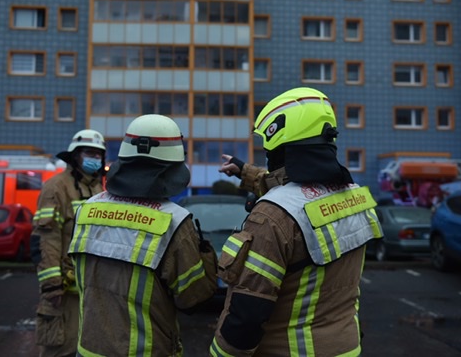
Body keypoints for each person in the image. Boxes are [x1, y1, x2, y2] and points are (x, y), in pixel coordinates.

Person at [212, 87, 383, 356]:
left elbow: (248, 315)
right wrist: (246, 172)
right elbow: (300, 189)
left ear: (277, 138)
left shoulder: (271, 217)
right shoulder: (355, 197)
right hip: (347, 347)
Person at [68, 114, 218, 356]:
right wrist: (207, 256)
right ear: (174, 167)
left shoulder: (86, 209)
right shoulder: (173, 221)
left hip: (88, 351)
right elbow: (193, 298)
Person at [31, 129, 107, 357]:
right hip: (63, 292)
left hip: (91, 290)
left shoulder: (98, 188)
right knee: (61, 349)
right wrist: (52, 284)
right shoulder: (56, 187)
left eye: (97, 154)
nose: (94, 158)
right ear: (75, 155)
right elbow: (47, 238)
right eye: (88, 153)